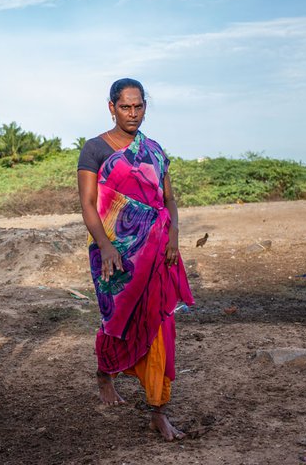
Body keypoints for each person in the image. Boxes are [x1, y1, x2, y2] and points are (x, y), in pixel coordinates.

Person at [77, 78, 194, 441]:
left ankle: (158, 410)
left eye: (139, 106)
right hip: (114, 253)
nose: (133, 114)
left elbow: (168, 199)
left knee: (160, 323)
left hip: (159, 251)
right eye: (126, 107)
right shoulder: (94, 149)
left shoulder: (155, 150)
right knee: (117, 318)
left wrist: (173, 235)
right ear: (111, 107)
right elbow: (87, 204)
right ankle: (105, 372)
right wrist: (107, 246)